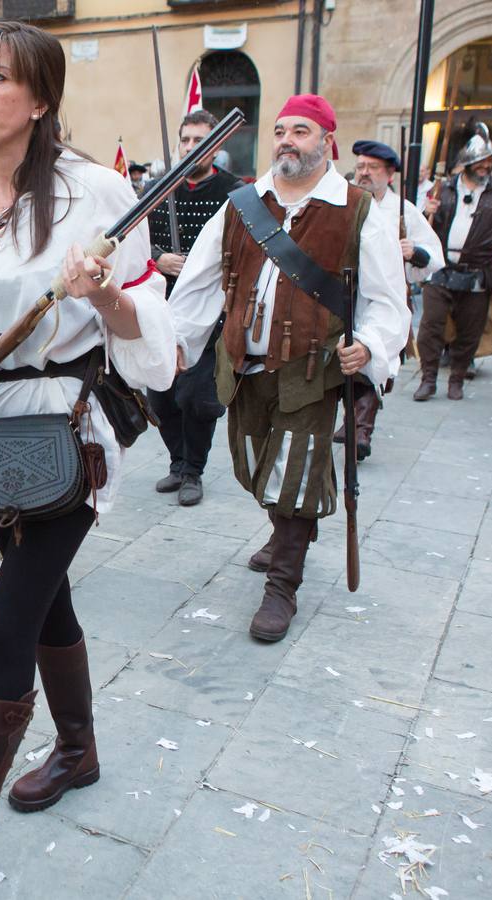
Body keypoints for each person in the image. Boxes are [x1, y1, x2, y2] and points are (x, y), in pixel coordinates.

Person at [0, 24, 179, 900]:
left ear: (41, 98)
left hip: (71, 430)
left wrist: (109, 294)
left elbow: (151, 346)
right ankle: (79, 750)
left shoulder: (100, 196)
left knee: (8, 618)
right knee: (45, 601)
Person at [168, 94, 407, 645]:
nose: (286, 140)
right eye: (280, 130)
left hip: (312, 370)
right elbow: (201, 283)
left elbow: (387, 299)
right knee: (255, 468)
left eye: (301, 131)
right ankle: (288, 529)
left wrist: (369, 345)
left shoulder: (357, 210)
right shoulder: (243, 205)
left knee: (294, 472)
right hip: (243, 367)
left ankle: (283, 584)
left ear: (328, 142)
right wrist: (175, 344)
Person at [141, 109, 244, 506]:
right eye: (184, 140)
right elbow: (130, 242)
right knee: (161, 396)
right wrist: (159, 259)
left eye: (198, 141)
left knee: (198, 398)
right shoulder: (157, 189)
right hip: (161, 306)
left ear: (215, 145)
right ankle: (176, 462)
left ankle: (194, 471)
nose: (189, 148)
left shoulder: (236, 193)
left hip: (211, 313)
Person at [335, 140, 442, 461]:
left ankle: (361, 431)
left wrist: (415, 252)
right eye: (361, 167)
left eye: (373, 168)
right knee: (347, 363)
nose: (364, 173)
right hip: (346, 295)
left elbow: (433, 256)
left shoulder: (403, 210)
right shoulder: (343, 203)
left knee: (373, 362)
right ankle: (353, 421)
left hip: (383, 300)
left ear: (390, 174)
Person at [414, 124, 492, 401]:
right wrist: (425, 210)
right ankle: (428, 379)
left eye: (489, 162)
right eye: (479, 161)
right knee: (430, 327)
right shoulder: (442, 189)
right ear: (466, 163)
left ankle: (457, 379)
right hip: (440, 267)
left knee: (470, 330)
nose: (485, 166)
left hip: (478, 270)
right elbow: (419, 226)